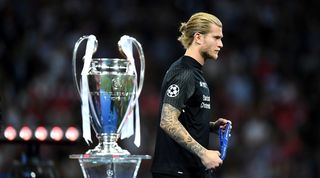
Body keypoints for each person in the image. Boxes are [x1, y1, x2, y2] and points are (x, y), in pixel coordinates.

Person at [151, 12, 232, 178]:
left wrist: (208, 126)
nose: (221, 44)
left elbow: (184, 116)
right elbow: (167, 120)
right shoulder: (184, 73)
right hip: (176, 172)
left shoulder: (195, 72)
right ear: (198, 37)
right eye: (216, 38)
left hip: (191, 171)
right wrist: (203, 153)